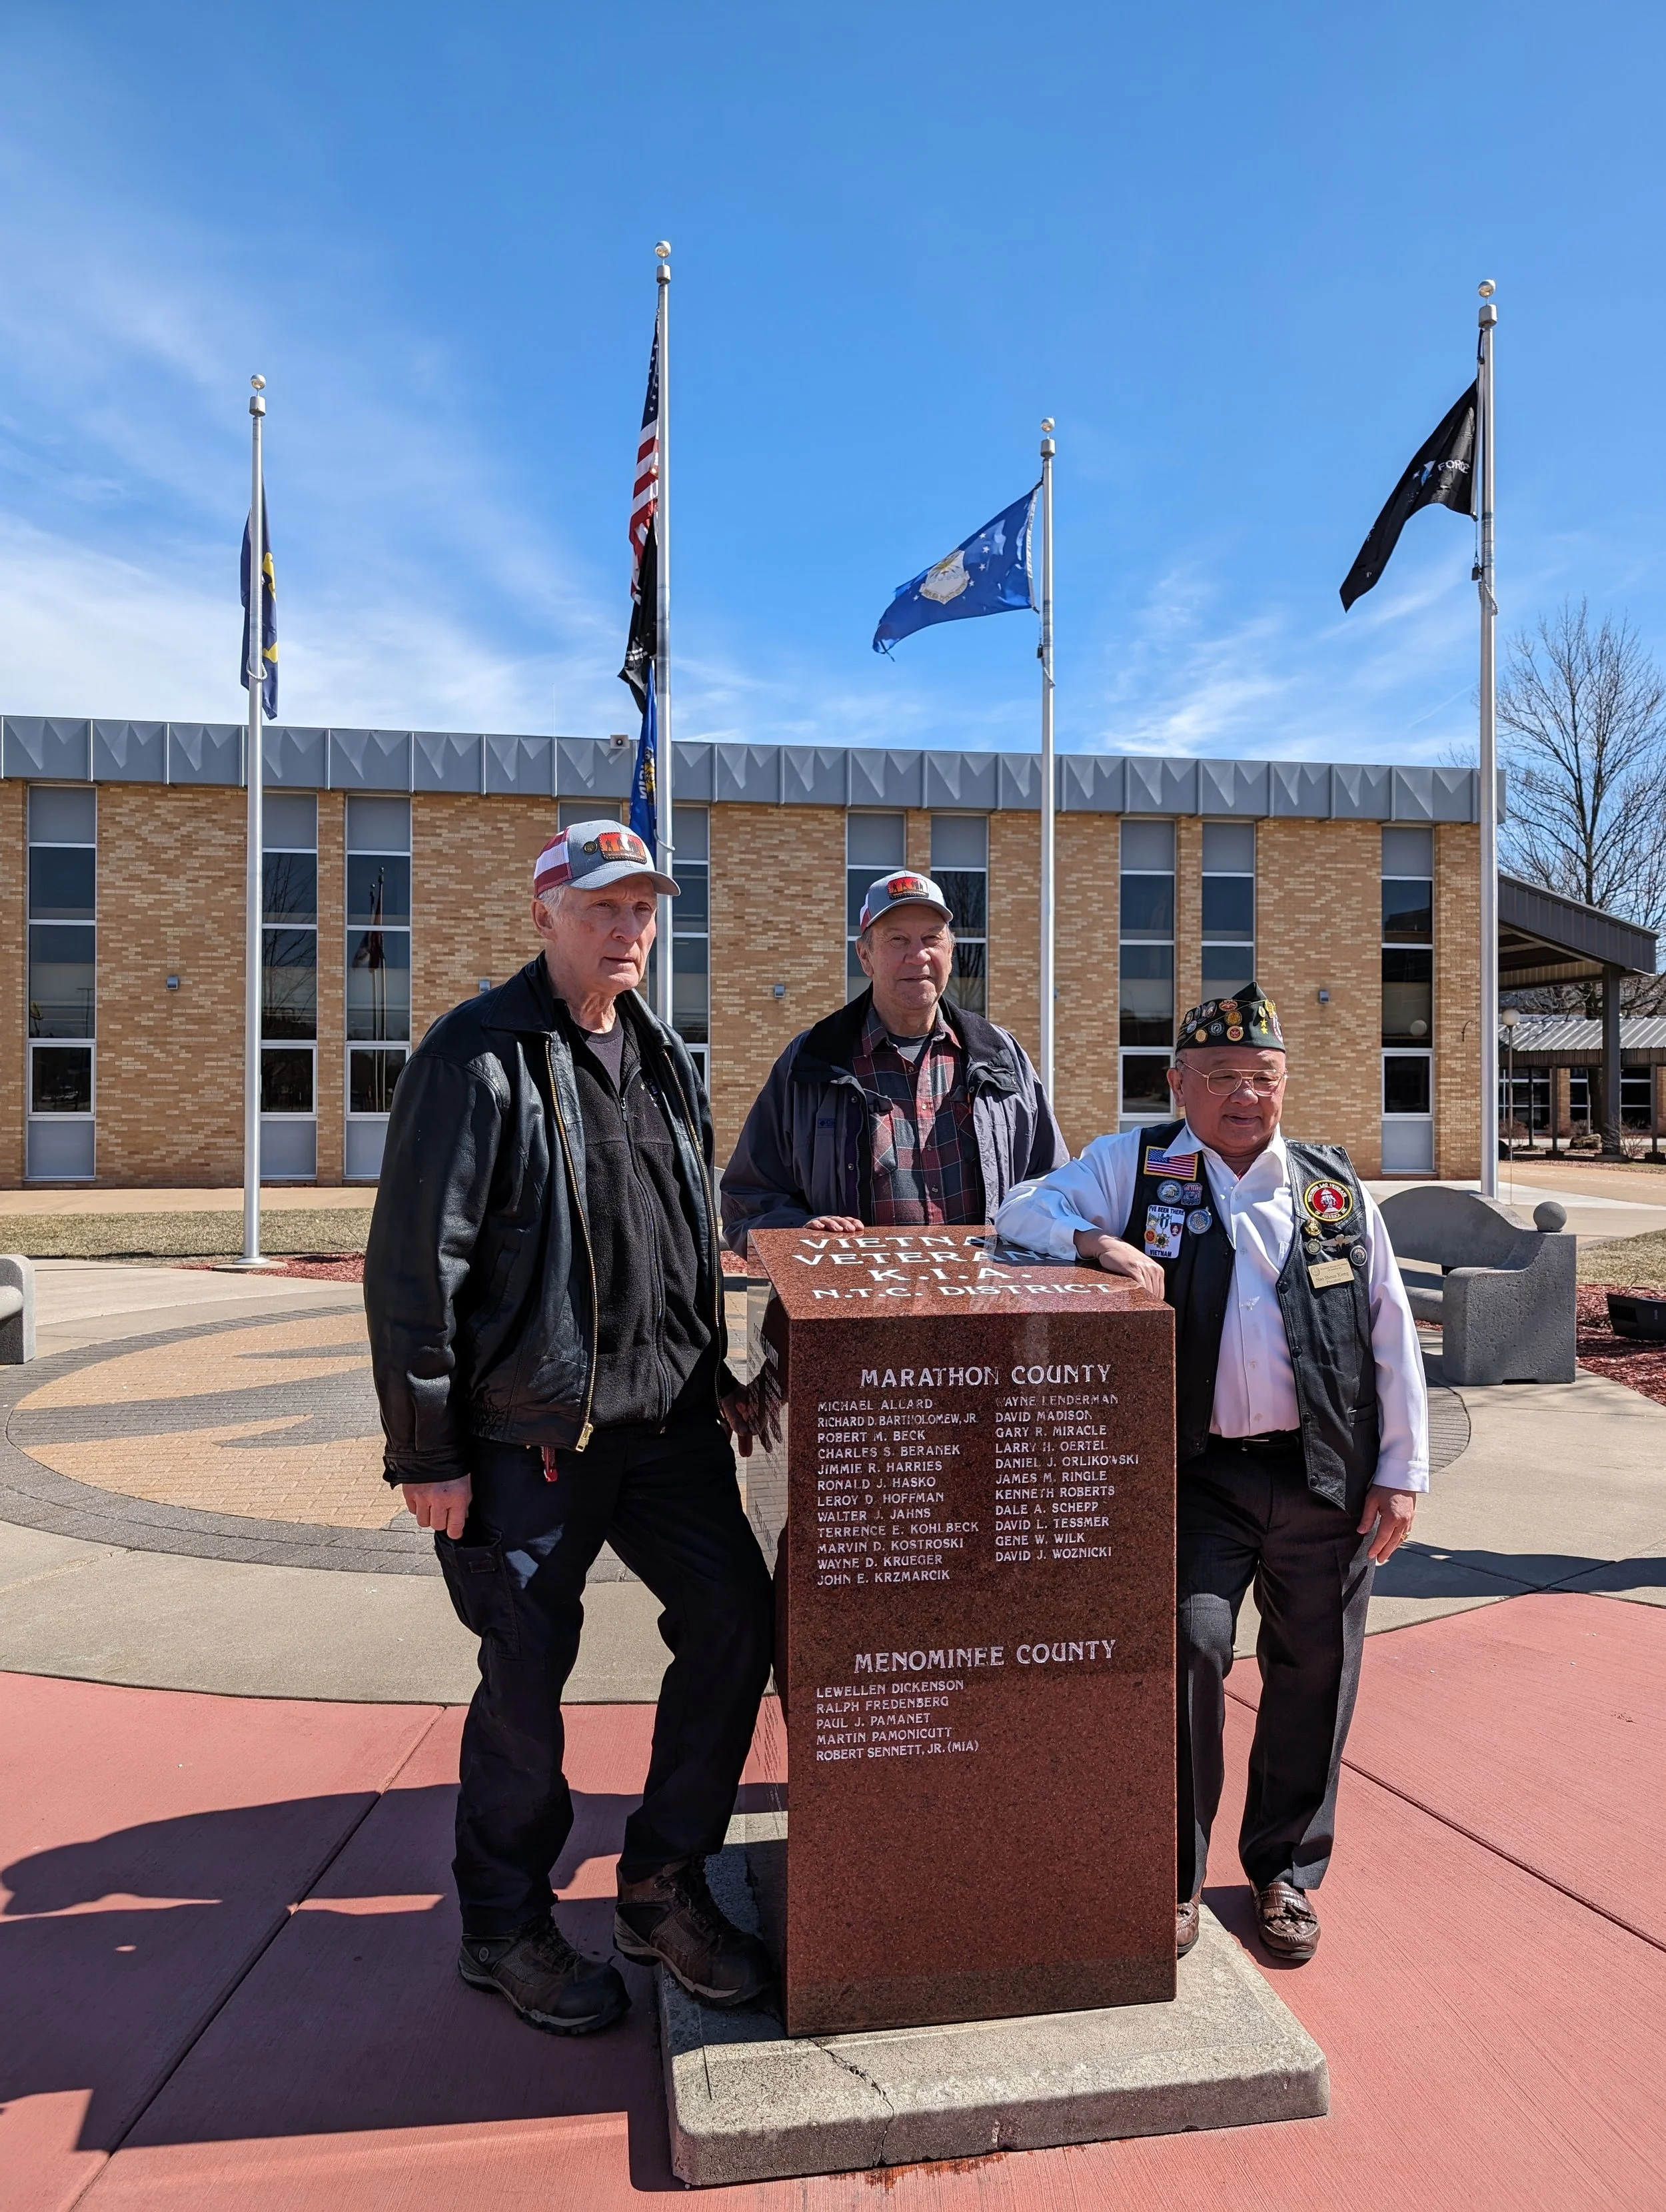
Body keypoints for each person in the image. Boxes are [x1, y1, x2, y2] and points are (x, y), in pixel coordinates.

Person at [365, 820, 776, 2037]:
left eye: (643, 908)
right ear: (543, 912)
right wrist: (427, 1450)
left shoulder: (659, 1052)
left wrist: (717, 1376)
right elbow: (413, 1269)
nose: (628, 928)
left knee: (735, 1621)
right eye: (602, 907)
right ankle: (500, 1927)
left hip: (666, 1431)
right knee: (525, 1680)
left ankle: (660, 1881)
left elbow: (676, 1241)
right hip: (523, 1437)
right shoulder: (477, 1057)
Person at [995, 984, 1426, 1965]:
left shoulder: (1328, 1187)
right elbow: (1020, 1207)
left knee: (1317, 1670)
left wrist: (1401, 1473)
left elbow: (1390, 1329)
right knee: (1188, 1649)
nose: (1245, 1098)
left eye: (1264, 1079)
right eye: (1223, 1078)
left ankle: (1285, 1873)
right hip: (1197, 1477)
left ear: (1285, 1087)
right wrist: (1097, 1244)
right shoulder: (1135, 1164)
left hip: (1325, 1473)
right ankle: (1172, 1877)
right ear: (1176, 1083)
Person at [721, 868, 1066, 1245]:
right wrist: (799, 1234)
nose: (917, 955)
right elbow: (747, 1200)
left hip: (981, 1298)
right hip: (853, 1299)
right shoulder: (812, 1061)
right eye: (897, 940)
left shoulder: (1001, 1056)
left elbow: (1054, 1187)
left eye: (931, 938)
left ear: (951, 953)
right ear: (865, 956)